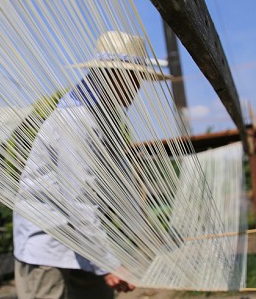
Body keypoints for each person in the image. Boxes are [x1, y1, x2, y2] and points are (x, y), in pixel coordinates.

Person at [12, 31, 171, 299]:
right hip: (49, 245)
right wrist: (109, 264)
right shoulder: (76, 120)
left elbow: (118, 185)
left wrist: (145, 234)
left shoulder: (105, 119)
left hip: (86, 239)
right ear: (111, 75)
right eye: (133, 77)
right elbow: (79, 198)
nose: (138, 86)